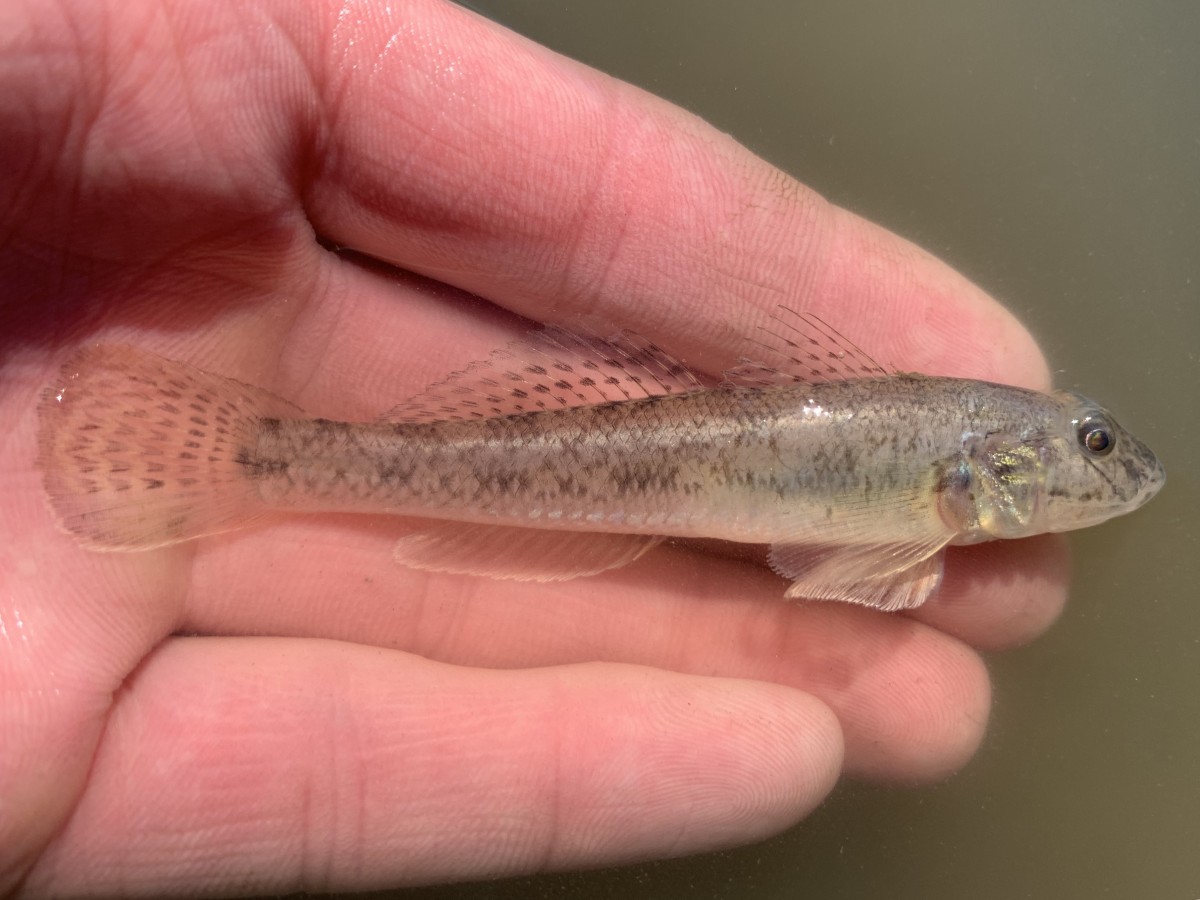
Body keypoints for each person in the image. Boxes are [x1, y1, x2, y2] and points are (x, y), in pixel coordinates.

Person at [0, 0, 1068, 894]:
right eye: (1090, 444)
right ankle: (247, 462)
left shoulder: (937, 476)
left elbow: (816, 559)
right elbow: (823, 563)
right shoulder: (937, 467)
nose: (1100, 467)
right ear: (993, 466)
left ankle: (250, 463)